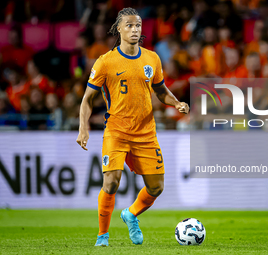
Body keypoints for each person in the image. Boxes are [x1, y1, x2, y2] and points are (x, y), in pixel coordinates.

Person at [76, 7, 189, 247]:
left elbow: (160, 91)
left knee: (156, 187)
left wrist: (176, 102)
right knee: (111, 182)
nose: (135, 29)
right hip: (116, 130)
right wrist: (83, 128)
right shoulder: (106, 62)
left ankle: (130, 214)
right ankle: (102, 237)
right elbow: (87, 99)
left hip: (146, 133)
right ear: (119, 29)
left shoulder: (152, 58)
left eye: (138, 25)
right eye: (129, 25)